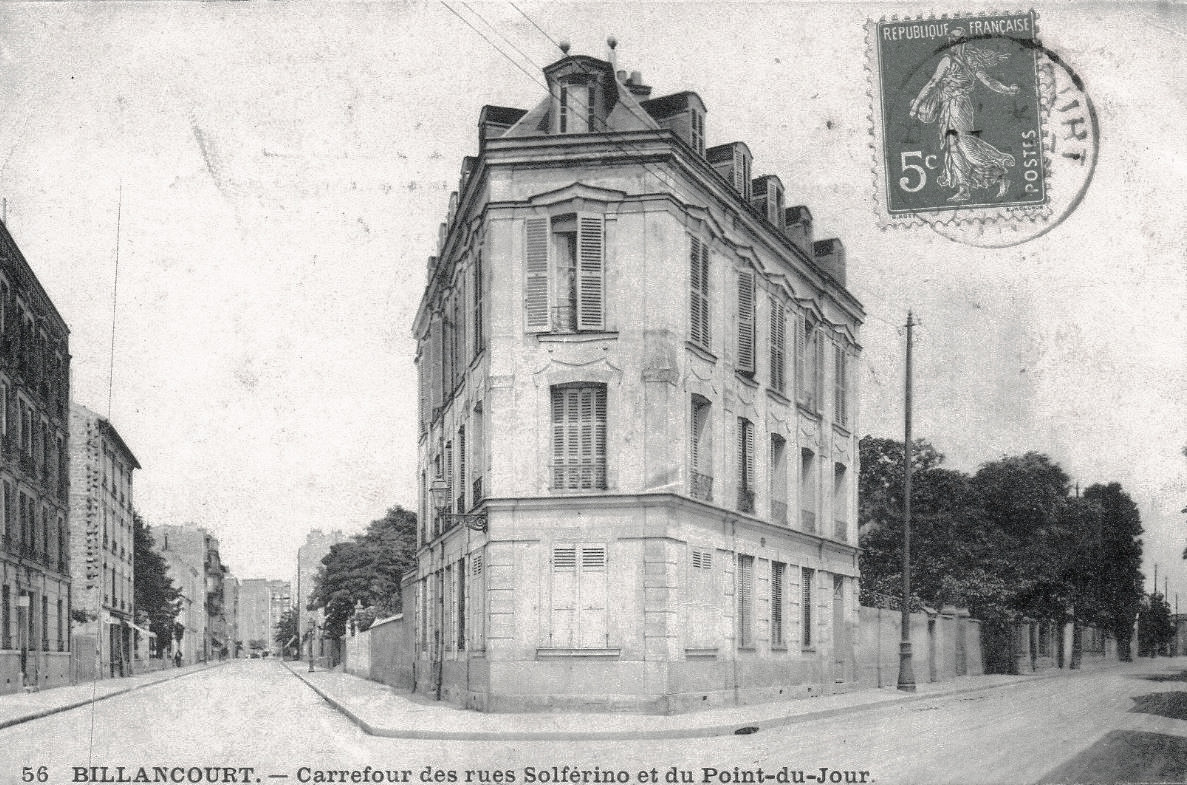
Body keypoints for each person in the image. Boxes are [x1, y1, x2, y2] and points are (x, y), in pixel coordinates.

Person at [909, 28, 1020, 202]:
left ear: (962, 41)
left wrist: (916, 106)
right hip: (951, 107)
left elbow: (933, 84)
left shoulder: (955, 61)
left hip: (958, 107)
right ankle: (964, 189)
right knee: (953, 149)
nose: (953, 41)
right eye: (951, 38)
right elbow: (933, 84)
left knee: (966, 146)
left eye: (956, 38)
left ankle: (1000, 174)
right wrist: (1006, 89)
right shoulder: (960, 60)